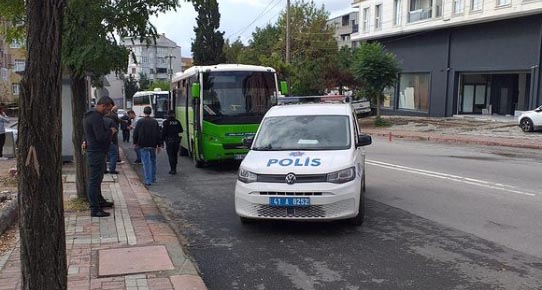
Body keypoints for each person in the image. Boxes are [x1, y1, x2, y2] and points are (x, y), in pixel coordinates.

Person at [83, 96, 116, 217]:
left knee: (98, 179)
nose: (108, 112)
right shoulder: (95, 117)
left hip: (95, 151)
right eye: (107, 109)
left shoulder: (90, 115)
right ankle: (95, 208)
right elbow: (100, 136)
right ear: (103, 105)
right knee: (94, 181)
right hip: (96, 152)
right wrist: (111, 132)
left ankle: (99, 201)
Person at [133, 106, 161, 186]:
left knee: (145, 162)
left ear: (144, 112)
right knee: (153, 161)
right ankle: (153, 178)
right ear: (150, 112)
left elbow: (136, 133)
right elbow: (158, 134)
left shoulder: (140, 121)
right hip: (153, 144)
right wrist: (159, 144)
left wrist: (135, 142)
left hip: (143, 144)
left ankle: (147, 180)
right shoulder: (154, 122)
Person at [104, 106, 126, 174]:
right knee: (113, 155)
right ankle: (112, 169)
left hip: (101, 141)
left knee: (103, 155)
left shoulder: (99, 119)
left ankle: (104, 169)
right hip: (111, 141)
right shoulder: (111, 120)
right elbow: (114, 130)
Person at [162, 110, 183, 175]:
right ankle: (175, 168)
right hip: (176, 140)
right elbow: (181, 130)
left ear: (168, 115)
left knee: (170, 155)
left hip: (169, 141)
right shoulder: (177, 122)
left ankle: (172, 169)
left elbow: (164, 132)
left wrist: (161, 141)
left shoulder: (166, 122)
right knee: (175, 154)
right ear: (174, 114)